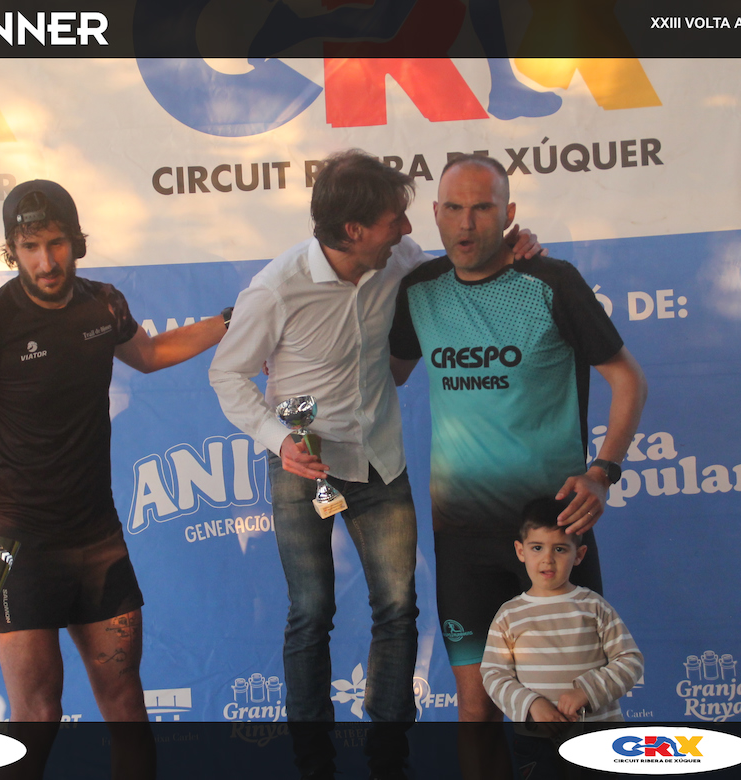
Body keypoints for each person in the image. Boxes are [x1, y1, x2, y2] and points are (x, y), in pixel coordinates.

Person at [208, 150, 540, 778]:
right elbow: (227, 374)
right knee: (311, 614)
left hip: (381, 463)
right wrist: (279, 440)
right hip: (304, 470)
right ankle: (313, 764)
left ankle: (389, 757)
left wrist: (515, 247)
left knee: (397, 610)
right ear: (354, 230)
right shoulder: (277, 287)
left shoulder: (399, 259)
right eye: (395, 220)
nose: (408, 230)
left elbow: (462, 265)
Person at [0, 180, 229, 736]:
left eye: (55, 243)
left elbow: (150, 353)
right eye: (29, 247)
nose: (46, 261)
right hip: (16, 548)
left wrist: (234, 319)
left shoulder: (104, 303)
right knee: (38, 714)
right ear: (12, 250)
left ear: (76, 241)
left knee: (125, 703)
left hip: (98, 540)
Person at [388, 154, 647, 730]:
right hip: (462, 537)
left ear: (508, 214)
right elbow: (389, 372)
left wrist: (603, 471)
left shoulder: (552, 282)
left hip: (552, 530)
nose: (466, 223)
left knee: (573, 703)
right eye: (453, 208)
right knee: (476, 706)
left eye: (482, 208)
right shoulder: (419, 290)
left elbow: (629, 379)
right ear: (435, 213)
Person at [480, 498, 643, 725]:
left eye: (559, 549)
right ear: (520, 551)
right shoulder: (508, 615)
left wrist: (587, 692)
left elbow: (630, 661)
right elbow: (493, 674)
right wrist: (531, 704)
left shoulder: (594, 606)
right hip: (539, 738)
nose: (547, 559)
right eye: (537, 548)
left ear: (579, 555)